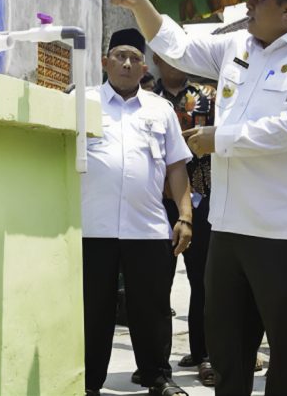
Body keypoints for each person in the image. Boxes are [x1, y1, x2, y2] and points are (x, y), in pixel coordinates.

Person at [111, 0, 287, 396]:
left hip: (285, 231)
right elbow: (177, 46)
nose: (247, 7)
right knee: (227, 347)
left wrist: (223, 138)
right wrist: (140, 4)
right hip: (230, 227)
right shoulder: (237, 47)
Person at [82, 28, 194, 396]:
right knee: (92, 310)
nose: (126, 63)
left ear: (144, 66)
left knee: (152, 308)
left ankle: (158, 378)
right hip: (91, 227)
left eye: (133, 58)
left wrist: (185, 216)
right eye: (119, 56)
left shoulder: (160, 109)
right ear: (105, 62)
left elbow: (177, 167)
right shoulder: (82, 102)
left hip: (146, 227)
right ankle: (88, 382)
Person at [152, 54, 216, 386]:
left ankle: (204, 354)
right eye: (164, 56)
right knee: (156, 282)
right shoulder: (146, 96)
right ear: (155, 60)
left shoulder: (209, 94)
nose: (172, 62)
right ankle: (155, 364)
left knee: (203, 280)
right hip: (156, 201)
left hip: (201, 198)